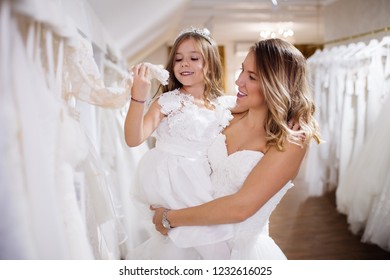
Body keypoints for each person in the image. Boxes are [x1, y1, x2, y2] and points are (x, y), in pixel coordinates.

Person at [151, 38, 321, 259]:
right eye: (242, 70)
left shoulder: (291, 140)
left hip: (239, 252)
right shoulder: (227, 111)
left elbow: (241, 207)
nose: (239, 81)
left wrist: (169, 218)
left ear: (276, 84)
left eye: (251, 77)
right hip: (190, 237)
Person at [124, 27, 237, 259]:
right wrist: (139, 97)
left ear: (212, 64)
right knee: (206, 242)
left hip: (203, 181)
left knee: (210, 244)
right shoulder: (168, 101)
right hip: (172, 180)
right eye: (178, 59)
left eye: (194, 58)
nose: (184, 64)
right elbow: (133, 138)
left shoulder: (222, 106)